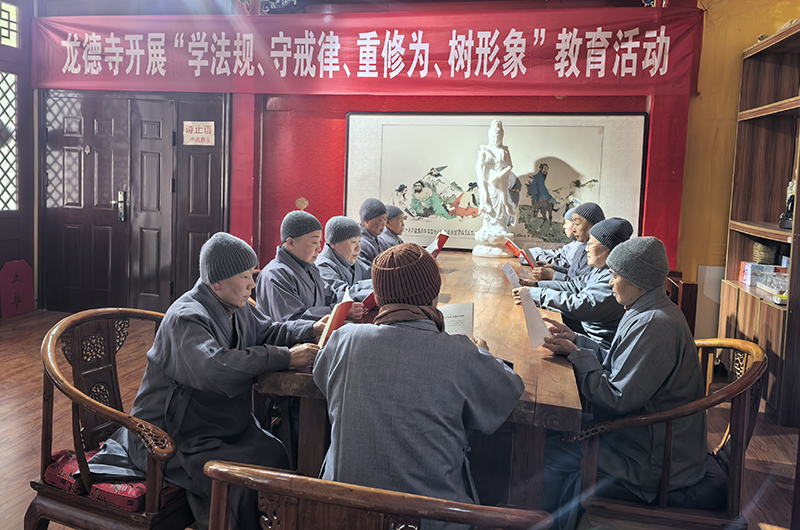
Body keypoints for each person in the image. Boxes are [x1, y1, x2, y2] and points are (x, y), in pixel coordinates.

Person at [87, 232, 322, 530]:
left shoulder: (237, 306)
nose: (252, 285)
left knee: (276, 453)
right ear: (216, 282)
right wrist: (285, 358)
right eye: (245, 277)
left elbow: (268, 331)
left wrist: (310, 328)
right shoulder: (186, 317)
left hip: (221, 427)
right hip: (174, 436)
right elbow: (215, 369)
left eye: (251, 275)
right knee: (239, 483)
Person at [313, 243, 524, 530]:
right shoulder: (459, 352)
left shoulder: (344, 339)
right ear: (434, 295)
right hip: (433, 519)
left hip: (341, 513)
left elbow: (321, 377)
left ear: (379, 298)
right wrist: (483, 351)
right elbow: (508, 391)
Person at [539, 237, 707, 530]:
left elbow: (616, 398)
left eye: (615, 276)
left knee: (546, 454)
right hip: (643, 435)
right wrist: (577, 340)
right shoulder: (646, 308)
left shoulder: (654, 323)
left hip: (653, 457)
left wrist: (577, 356)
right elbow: (619, 361)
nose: (610, 282)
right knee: (549, 434)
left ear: (637, 281)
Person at [512, 217, 632, 349]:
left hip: (597, 345)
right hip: (582, 332)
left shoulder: (613, 279)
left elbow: (581, 305)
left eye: (592, 244)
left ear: (610, 251)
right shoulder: (599, 270)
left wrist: (537, 294)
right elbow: (574, 285)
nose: (586, 249)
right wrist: (536, 286)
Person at [257, 210, 363, 322]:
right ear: (291, 243)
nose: (319, 248)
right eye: (314, 242)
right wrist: (338, 311)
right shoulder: (275, 275)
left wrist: (348, 305)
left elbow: (331, 296)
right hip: (302, 333)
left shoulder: (311, 268)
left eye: (320, 242)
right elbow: (293, 320)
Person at [522, 201, 605, 281]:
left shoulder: (593, 252)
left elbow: (578, 285)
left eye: (576, 224)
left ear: (592, 227)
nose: (573, 229)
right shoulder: (580, 245)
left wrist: (552, 275)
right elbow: (572, 273)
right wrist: (554, 268)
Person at [316, 216, 373, 302]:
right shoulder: (322, 266)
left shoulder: (352, 261)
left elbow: (375, 275)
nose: (358, 248)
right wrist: (376, 285)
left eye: (359, 241)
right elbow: (343, 295)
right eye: (353, 242)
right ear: (333, 244)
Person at [475, 120, 516, 234]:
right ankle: (487, 227)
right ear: (490, 136)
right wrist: (481, 160)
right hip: (488, 182)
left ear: (502, 137)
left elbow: (509, 166)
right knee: (488, 202)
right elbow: (479, 166)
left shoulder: (504, 151)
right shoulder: (486, 150)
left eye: (498, 137)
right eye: (493, 137)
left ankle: (500, 226)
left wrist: (499, 175)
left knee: (500, 204)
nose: (495, 139)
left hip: (500, 182)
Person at [358, 198, 389, 266]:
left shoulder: (381, 241)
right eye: (380, 220)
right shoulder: (359, 244)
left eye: (385, 219)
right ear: (366, 221)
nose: (384, 224)